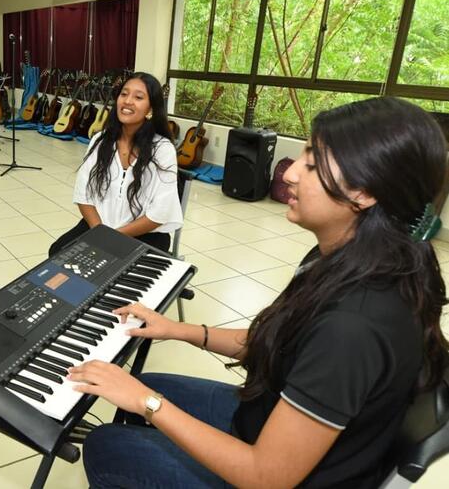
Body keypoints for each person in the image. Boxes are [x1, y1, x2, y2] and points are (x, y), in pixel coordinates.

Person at [70, 97, 449, 488]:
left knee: (106, 443)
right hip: (266, 416)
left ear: (365, 192)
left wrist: (148, 405)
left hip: (273, 472)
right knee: (146, 386)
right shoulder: (344, 257)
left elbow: (265, 476)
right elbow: (278, 340)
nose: (289, 175)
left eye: (313, 165)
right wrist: (176, 329)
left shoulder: (354, 326)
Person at [48, 72, 182, 257]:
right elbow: (83, 195)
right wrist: (100, 232)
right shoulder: (100, 140)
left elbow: (160, 213)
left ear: (151, 109)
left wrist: (114, 237)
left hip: (145, 235)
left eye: (138, 97)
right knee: (57, 254)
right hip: (98, 226)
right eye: (124, 94)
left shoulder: (162, 149)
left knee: (113, 274)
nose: (127, 101)